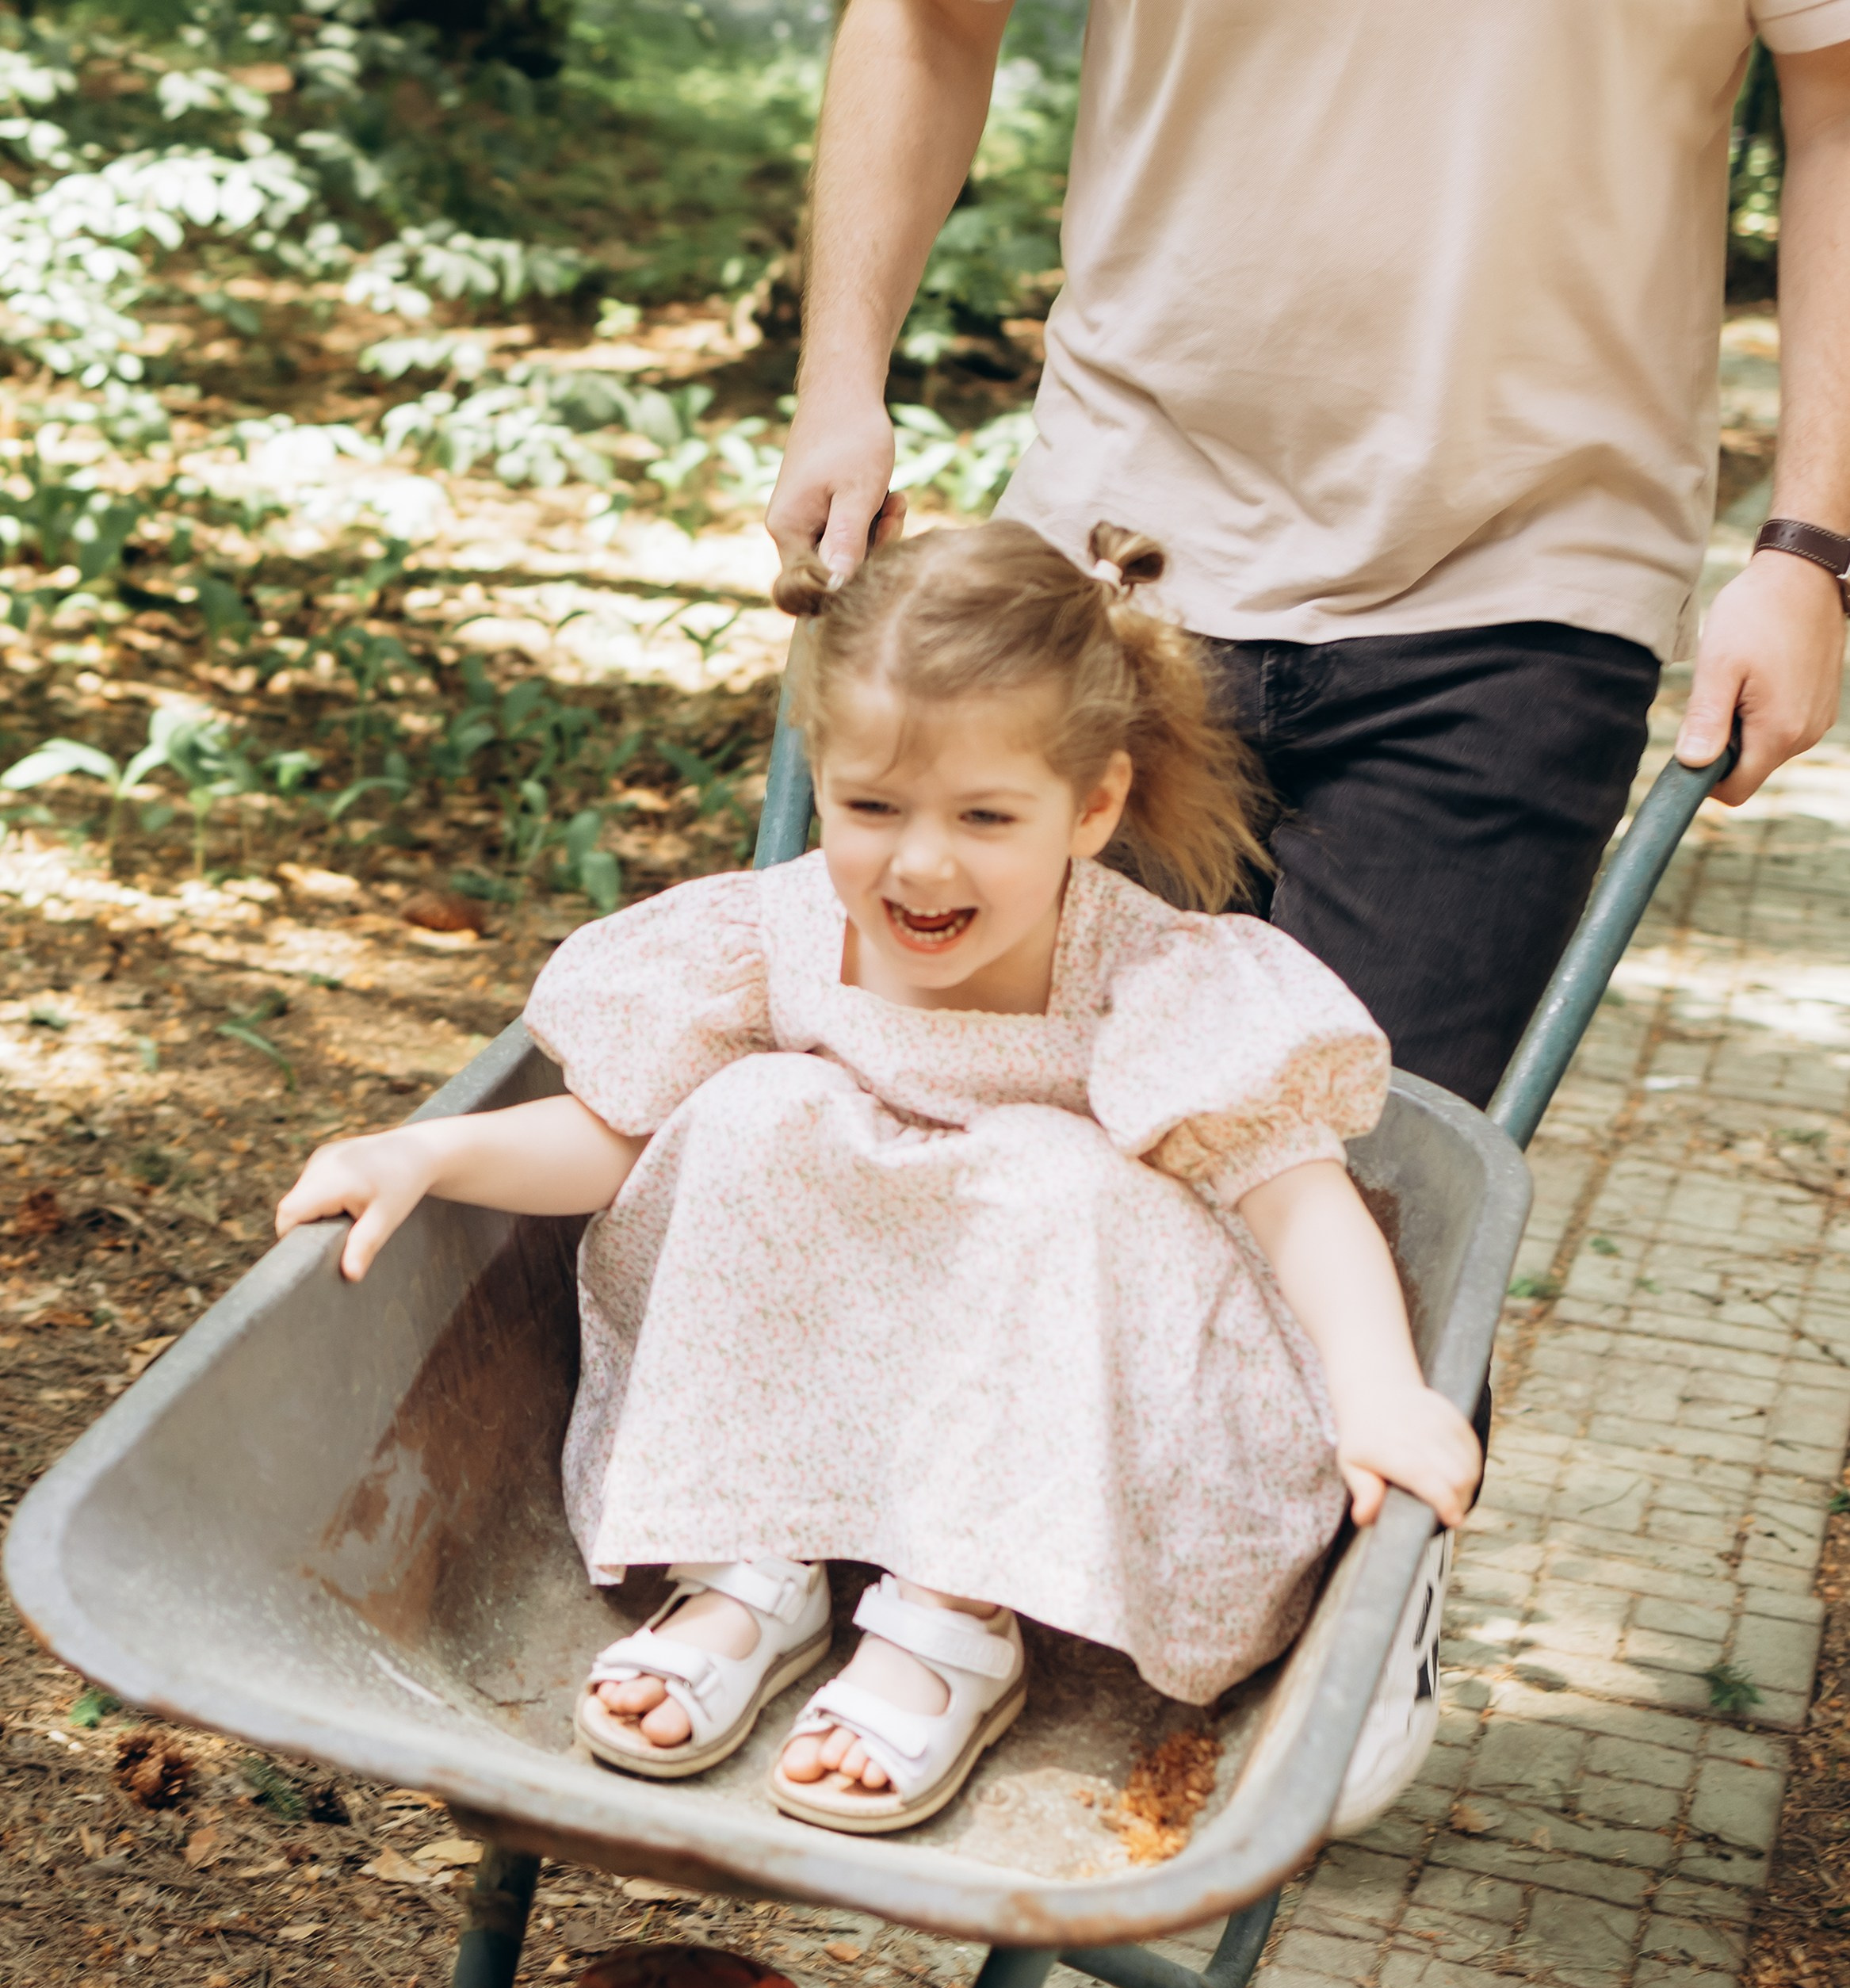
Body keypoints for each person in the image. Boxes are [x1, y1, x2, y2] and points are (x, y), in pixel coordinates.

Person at [766, 0, 1850, 1765]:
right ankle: (950, 1586)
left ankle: (1328, 1626)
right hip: (1125, 535)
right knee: (1004, 1114)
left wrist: (1812, 543)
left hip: (1526, 564)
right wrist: (841, 385)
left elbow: (1838, 102)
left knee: (1361, 1159)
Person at [275, 523, 1480, 1840]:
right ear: (821, 773)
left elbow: (1297, 1197)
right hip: (842, 1355)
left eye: (984, 817)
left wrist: (1375, 1389)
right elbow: (617, 1133)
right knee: (756, 1106)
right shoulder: (776, 933)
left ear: (1091, 807)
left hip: (1072, 1367)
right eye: (872, 808)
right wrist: (431, 1152)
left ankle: (953, 1616)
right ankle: (750, 1566)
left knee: (1045, 1167)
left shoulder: (1155, 978)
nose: (919, 865)